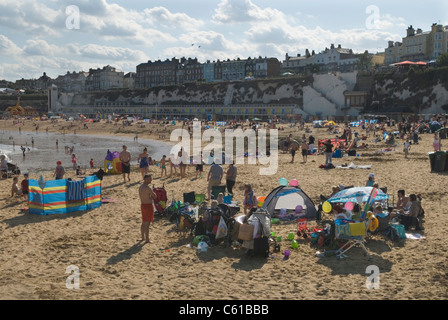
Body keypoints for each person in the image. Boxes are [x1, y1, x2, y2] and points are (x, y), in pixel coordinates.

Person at [138, 174, 157, 243]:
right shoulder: (147, 188)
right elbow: (155, 196)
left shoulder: (141, 187)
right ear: (145, 179)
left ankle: (142, 237)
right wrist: (151, 196)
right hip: (148, 206)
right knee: (147, 223)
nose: (151, 180)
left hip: (143, 205)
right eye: (149, 179)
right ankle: (147, 239)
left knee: (143, 222)